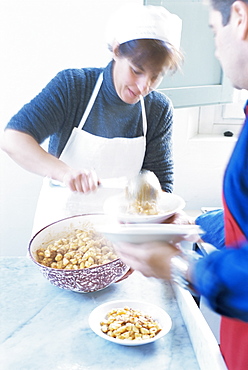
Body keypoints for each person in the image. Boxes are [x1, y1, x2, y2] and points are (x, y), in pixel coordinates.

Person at [114, 1, 248, 369]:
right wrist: (196, 225)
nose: (216, 47)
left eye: (212, 29)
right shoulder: (73, 85)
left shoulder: (158, 110)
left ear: (240, 18)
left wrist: (181, 267)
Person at [0, 4, 183, 233]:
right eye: (137, 70)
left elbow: (161, 184)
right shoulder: (74, 87)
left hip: (121, 238)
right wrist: (65, 173)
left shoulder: (158, 109)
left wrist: (169, 215)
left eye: (156, 76)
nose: (144, 86)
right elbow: (13, 139)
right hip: (60, 232)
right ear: (116, 51)